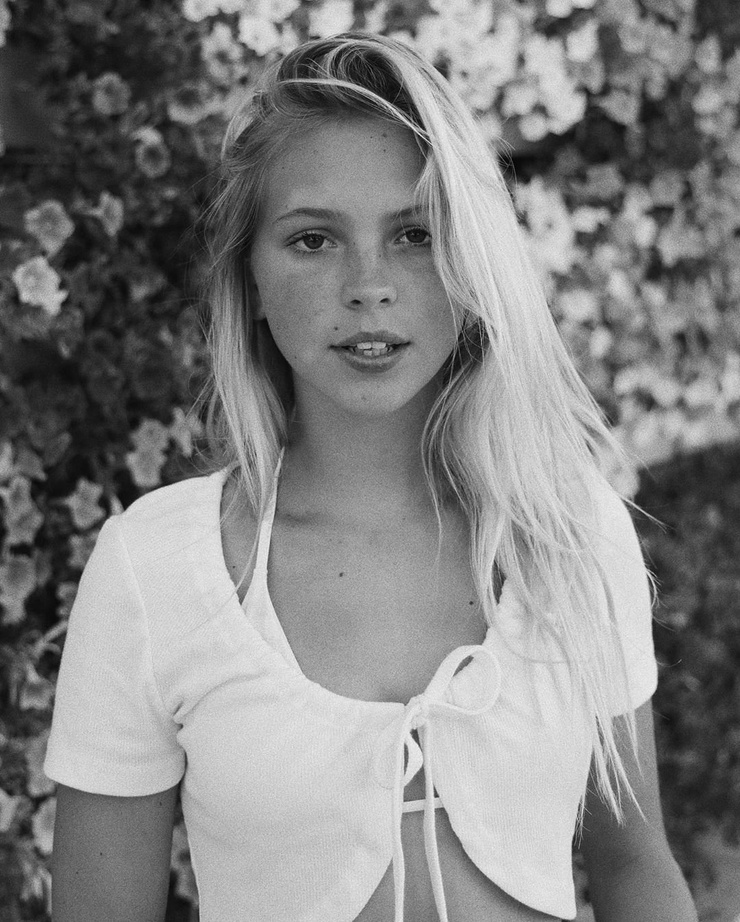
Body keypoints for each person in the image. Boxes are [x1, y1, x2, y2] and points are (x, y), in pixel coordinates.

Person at [44, 31, 698, 922]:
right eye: (313, 239)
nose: (369, 287)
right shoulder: (153, 571)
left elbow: (637, 870)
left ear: (471, 260)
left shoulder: (568, 530)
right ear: (249, 278)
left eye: (415, 235)